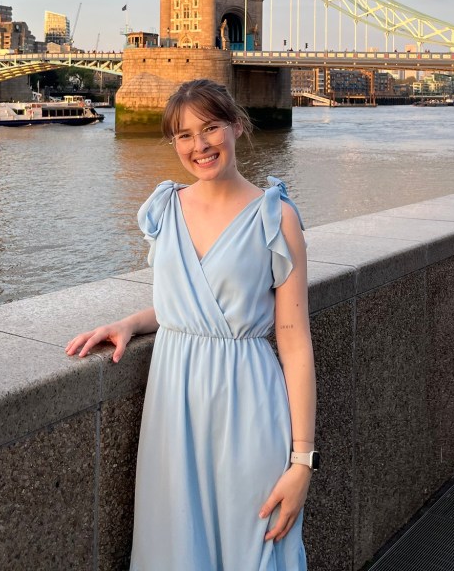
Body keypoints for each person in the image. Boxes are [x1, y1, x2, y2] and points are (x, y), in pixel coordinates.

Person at [65, 78, 317, 570]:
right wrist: (131, 323)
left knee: (254, 549)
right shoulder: (165, 208)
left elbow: (294, 342)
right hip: (173, 409)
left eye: (210, 128)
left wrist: (302, 461)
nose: (199, 146)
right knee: (176, 551)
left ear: (237, 126)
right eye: (183, 135)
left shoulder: (276, 216)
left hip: (248, 407)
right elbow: (188, 305)